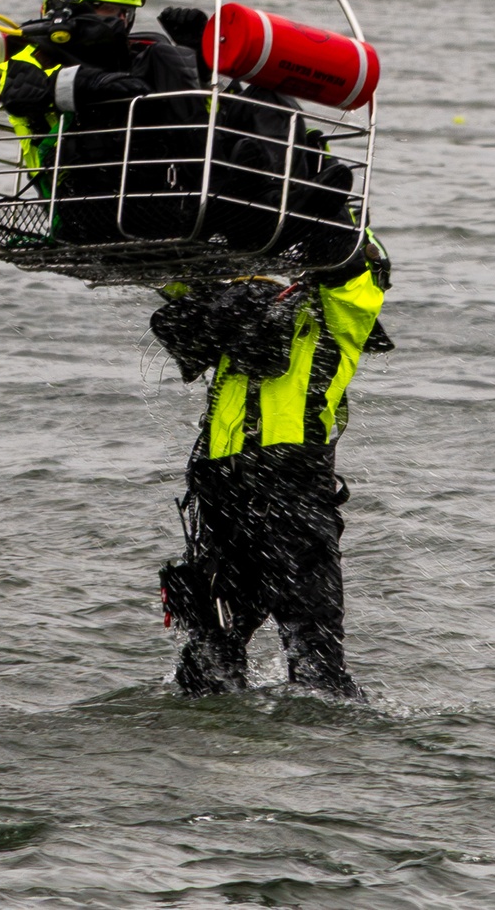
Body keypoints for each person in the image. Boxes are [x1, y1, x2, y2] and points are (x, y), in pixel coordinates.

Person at [151, 243, 392, 698]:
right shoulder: (228, 317)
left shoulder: (335, 320)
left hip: (295, 506)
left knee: (317, 666)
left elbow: (362, 266)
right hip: (222, 507)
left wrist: (324, 220)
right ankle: (206, 743)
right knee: (205, 665)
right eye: (244, 282)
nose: (252, 290)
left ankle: (329, 753)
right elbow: (174, 275)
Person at [0, 0, 204, 241]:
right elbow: (21, 94)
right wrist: (92, 82)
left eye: (125, 12)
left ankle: (255, 208)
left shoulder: (139, 55)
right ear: (66, 2)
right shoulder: (30, 56)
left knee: (262, 102)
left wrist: (198, 60)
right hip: (82, 206)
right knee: (162, 56)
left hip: (158, 200)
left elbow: (178, 111)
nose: (120, 21)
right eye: (107, 10)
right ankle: (211, 200)